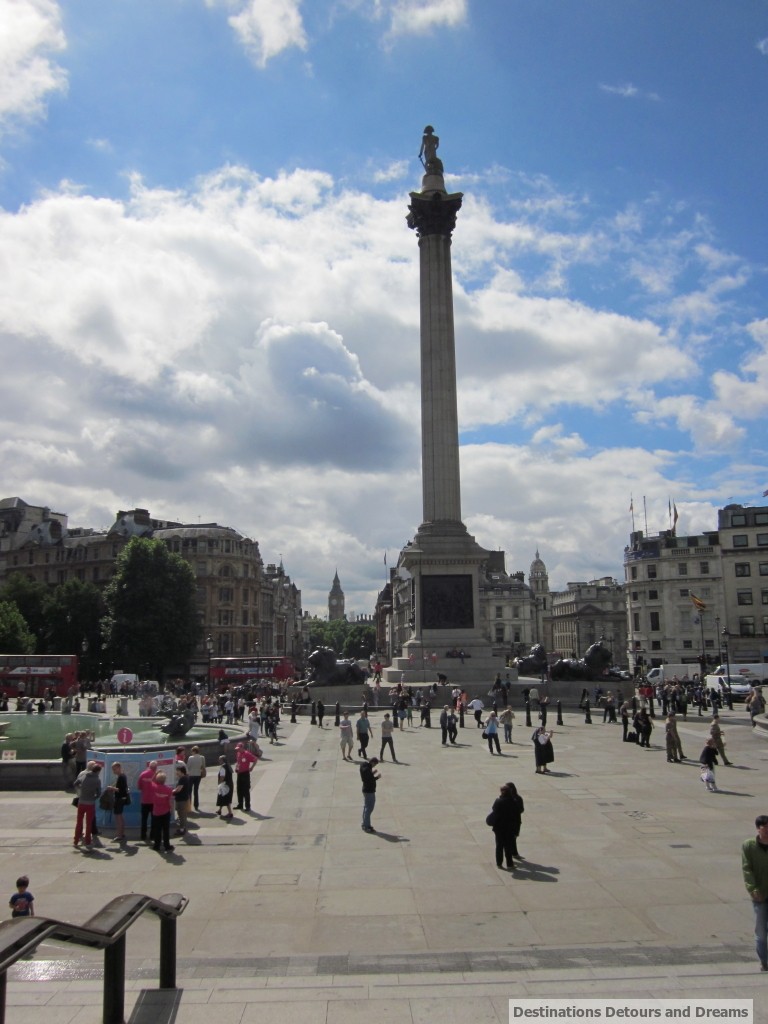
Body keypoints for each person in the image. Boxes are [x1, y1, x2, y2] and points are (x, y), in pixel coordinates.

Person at [742, 815, 768, 971]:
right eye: (765, 827)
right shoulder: (749, 846)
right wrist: (752, 888)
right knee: (761, 931)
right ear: (758, 828)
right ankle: (764, 961)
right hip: (760, 895)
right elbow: (747, 869)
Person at [488, 782, 524, 870]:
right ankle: (509, 864)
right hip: (509, 828)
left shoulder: (498, 801)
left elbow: (494, 810)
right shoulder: (514, 802)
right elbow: (517, 815)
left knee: (499, 846)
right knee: (508, 846)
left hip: (499, 828)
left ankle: (499, 863)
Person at [73, 761, 102, 850]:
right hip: (90, 804)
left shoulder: (83, 775)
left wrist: (81, 790)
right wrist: (94, 797)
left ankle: (76, 841)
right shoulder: (97, 780)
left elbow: (75, 783)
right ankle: (88, 842)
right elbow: (98, 793)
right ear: (98, 771)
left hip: (81, 802)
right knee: (89, 824)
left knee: (79, 822)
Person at [150, 770, 174, 853]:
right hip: (165, 811)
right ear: (165, 780)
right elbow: (170, 801)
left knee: (157, 829)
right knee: (166, 830)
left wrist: (156, 773)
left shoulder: (154, 787)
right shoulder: (168, 789)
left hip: (156, 811)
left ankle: (157, 845)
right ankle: (167, 845)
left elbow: (151, 781)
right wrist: (171, 809)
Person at [108, 762, 130, 842]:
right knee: (120, 816)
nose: (113, 771)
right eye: (113, 769)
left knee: (118, 817)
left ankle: (119, 835)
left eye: (114, 769)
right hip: (122, 799)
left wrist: (111, 788)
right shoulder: (123, 776)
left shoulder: (121, 777)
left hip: (119, 799)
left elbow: (120, 790)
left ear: (119, 767)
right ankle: (122, 833)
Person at [234, 742, 258, 810]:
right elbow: (238, 762)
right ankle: (240, 804)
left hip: (245, 773)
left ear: (242, 747)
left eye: (239, 748)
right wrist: (236, 768)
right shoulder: (238, 753)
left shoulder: (247, 754)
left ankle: (247, 806)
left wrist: (252, 767)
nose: (238, 750)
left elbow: (255, 759)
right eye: (237, 749)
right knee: (239, 789)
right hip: (239, 773)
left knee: (246, 790)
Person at [138, 760, 158, 842]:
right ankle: (152, 835)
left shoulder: (142, 774)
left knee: (144, 819)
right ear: (156, 767)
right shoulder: (157, 775)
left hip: (145, 800)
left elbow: (139, 787)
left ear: (149, 766)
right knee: (154, 819)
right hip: (154, 801)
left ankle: (143, 835)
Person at [360, 757, 380, 833]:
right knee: (369, 808)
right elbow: (369, 779)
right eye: (375, 764)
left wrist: (372, 773)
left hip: (365, 790)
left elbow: (366, 776)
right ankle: (366, 826)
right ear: (373, 762)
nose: (374, 766)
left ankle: (365, 823)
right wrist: (377, 777)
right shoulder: (367, 770)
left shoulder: (364, 765)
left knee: (366, 807)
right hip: (369, 791)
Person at [186, 745, 206, 811]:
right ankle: (196, 805)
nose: (191, 752)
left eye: (192, 751)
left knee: (189, 791)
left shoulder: (190, 758)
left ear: (194, 751)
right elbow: (203, 766)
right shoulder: (202, 757)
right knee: (196, 790)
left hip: (191, 775)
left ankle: (189, 805)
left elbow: (188, 767)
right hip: (198, 775)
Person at [172, 764, 190, 836]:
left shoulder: (183, 779)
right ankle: (183, 827)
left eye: (177, 771)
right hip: (184, 798)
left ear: (181, 771)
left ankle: (182, 829)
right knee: (183, 814)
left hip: (181, 799)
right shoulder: (186, 778)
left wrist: (171, 792)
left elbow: (178, 789)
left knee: (181, 814)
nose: (176, 773)